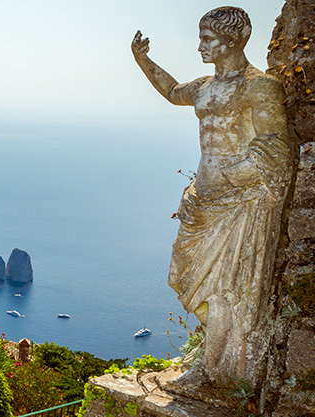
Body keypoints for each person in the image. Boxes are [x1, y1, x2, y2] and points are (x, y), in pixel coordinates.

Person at [132, 6, 294, 384]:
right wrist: (144, 60)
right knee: (185, 276)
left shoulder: (258, 87)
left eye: (207, 38)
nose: (200, 46)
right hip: (202, 201)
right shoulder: (205, 87)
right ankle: (209, 360)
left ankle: (217, 370)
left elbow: (275, 149)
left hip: (238, 205)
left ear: (233, 40)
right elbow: (173, 92)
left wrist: (233, 176)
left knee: (225, 290)